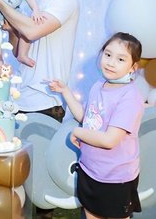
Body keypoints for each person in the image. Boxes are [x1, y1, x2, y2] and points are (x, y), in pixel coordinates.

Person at [48, 32, 144, 219]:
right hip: (89, 170)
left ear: (133, 67)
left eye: (120, 59)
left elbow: (109, 140)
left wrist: (76, 131)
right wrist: (65, 91)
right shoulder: (99, 85)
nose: (110, 62)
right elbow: (88, 118)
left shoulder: (130, 96)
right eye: (108, 55)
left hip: (116, 179)